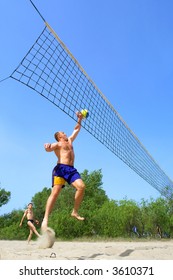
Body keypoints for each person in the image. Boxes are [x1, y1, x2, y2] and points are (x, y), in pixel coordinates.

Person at [41, 111, 86, 231]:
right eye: (63, 133)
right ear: (60, 136)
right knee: (55, 193)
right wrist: (47, 146)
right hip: (60, 169)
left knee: (81, 187)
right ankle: (45, 219)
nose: (65, 133)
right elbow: (49, 148)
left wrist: (79, 119)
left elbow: (76, 129)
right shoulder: (58, 144)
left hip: (71, 169)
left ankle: (74, 212)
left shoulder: (70, 140)